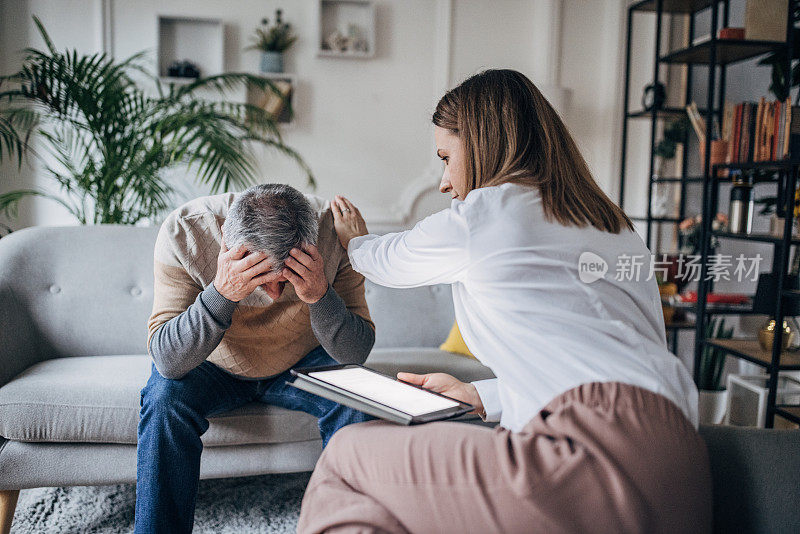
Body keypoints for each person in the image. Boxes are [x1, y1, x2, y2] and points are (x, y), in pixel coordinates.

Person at [298, 70, 711, 534]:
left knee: (345, 455)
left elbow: (390, 262)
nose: (443, 182)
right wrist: (479, 394)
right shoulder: (616, 226)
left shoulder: (486, 214)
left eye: (446, 158)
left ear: (480, 145)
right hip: (680, 455)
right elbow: (603, 358)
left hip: (587, 453)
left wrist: (356, 243)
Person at [135, 183, 375, 534]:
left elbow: (356, 354)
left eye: (285, 279)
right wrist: (221, 294)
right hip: (212, 363)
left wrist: (320, 295)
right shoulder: (183, 230)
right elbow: (167, 359)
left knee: (360, 397)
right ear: (224, 239)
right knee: (162, 399)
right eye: (261, 278)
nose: (275, 295)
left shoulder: (333, 230)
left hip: (301, 360)